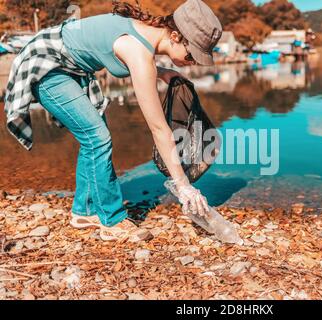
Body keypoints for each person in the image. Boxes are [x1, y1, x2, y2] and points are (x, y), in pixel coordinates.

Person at [3, 0, 222, 242]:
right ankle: (112, 220)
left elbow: (124, 53)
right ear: (174, 35)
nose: (192, 62)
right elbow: (159, 128)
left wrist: (160, 71)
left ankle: (84, 212)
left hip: (71, 68)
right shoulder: (138, 52)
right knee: (97, 138)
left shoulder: (143, 36)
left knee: (94, 137)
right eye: (192, 54)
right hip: (48, 65)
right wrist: (183, 186)